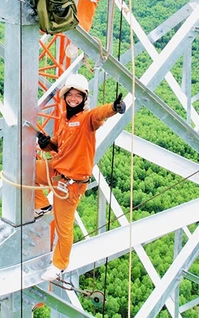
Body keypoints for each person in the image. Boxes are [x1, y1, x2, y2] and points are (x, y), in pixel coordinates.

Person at [33, 73, 127, 281]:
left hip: (70, 184)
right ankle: (41, 205)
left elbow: (98, 115)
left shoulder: (86, 119)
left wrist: (113, 108)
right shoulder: (66, 122)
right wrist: (45, 143)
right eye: (70, 95)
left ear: (84, 99)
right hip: (57, 170)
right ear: (65, 96)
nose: (73, 99)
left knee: (63, 227)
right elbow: (57, 146)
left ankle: (59, 265)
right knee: (25, 171)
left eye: (78, 96)